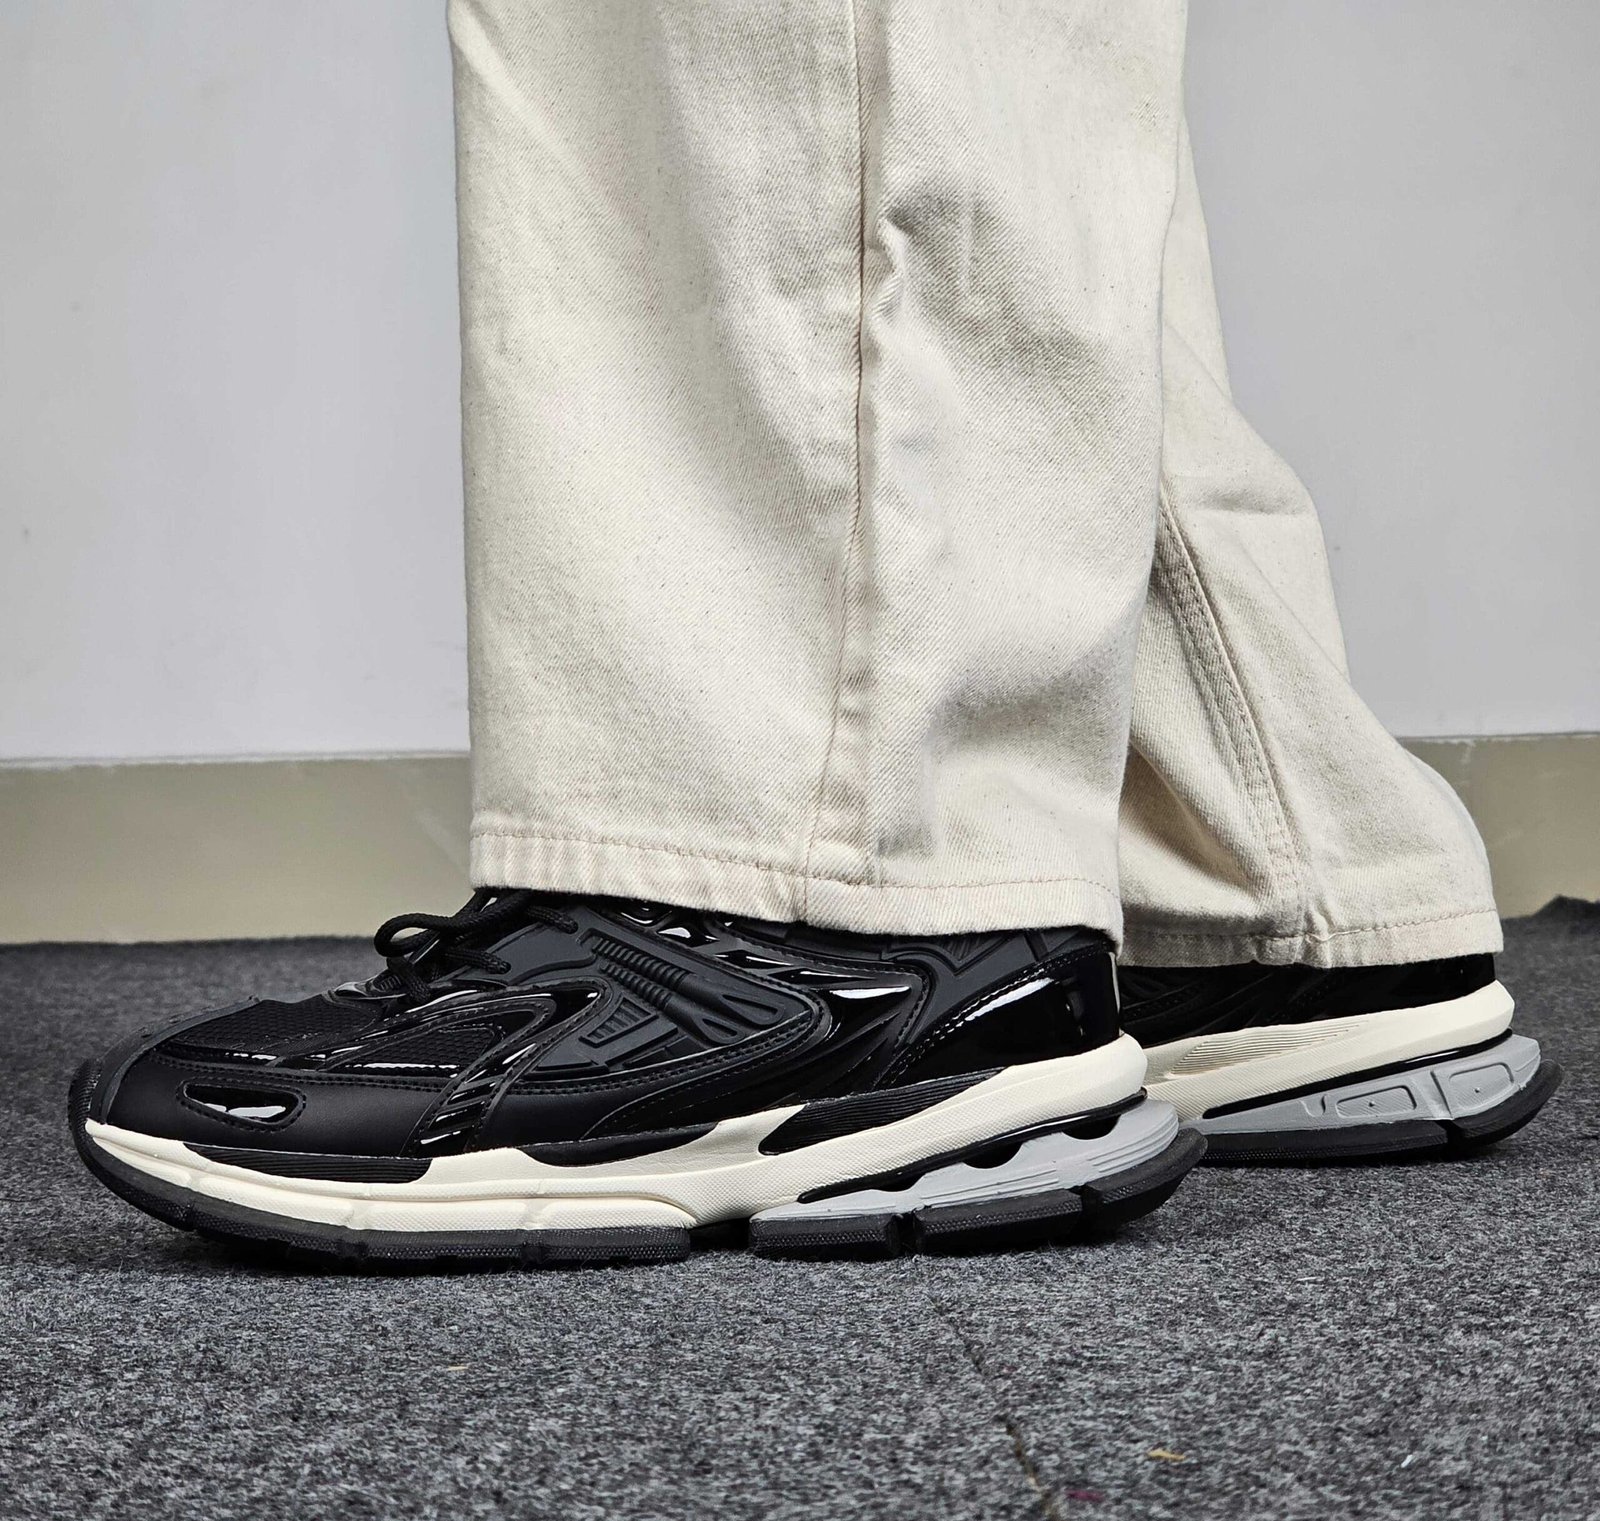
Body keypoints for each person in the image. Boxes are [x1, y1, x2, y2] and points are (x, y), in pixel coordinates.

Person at [68, 1, 1553, 1265]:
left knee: (736, 46)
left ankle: (816, 898)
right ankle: (1237, 878)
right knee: (1004, 86)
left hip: (846, 890)